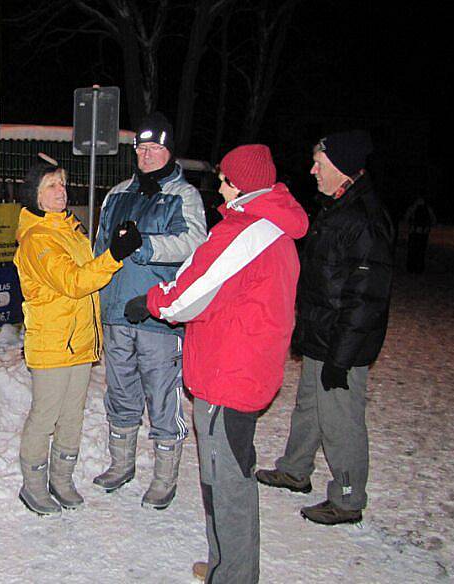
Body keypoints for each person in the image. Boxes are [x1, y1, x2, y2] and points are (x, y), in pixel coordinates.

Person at [125, 145, 308, 583]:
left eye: (225, 179)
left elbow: (190, 294)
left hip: (230, 375)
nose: (219, 187)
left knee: (226, 483)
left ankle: (233, 575)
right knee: (229, 476)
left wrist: (151, 302)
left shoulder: (249, 231)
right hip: (242, 369)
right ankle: (229, 564)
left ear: (242, 184)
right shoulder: (266, 224)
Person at [256, 130, 394, 526]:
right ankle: (295, 469)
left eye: (321, 164)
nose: (312, 170)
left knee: (340, 420)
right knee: (310, 406)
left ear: (344, 169)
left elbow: (366, 300)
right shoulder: (335, 208)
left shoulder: (363, 220)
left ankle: (348, 498)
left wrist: (342, 357)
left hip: (343, 344)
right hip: (323, 334)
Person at [13, 156, 142, 516]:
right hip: (53, 342)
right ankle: (34, 485)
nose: (61, 191)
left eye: (62, 184)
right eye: (51, 186)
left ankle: (62, 479)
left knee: (72, 416)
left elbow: (88, 269)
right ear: (35, 196)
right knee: (45, 416)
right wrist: (115, 256)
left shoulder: (70, 229)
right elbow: (74, 281)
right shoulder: (38, 239)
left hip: (80, 341)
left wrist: (110, 246)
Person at [92, 112, 207, 509]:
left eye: (155, 147)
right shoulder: (117, 193)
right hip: (117, 311)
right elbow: (100, 246)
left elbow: (194, 243)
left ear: (169, 151)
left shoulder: (184, 195)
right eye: (141, 148)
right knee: (120, 392)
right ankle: (121, 464)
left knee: (162, 394)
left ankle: (163, 476)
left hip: (158, 314)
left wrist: (146, 246)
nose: (147, 154)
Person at [403, 196, 436, 273]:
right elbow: (434, 220)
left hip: (413, 231)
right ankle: (419, 268)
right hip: (424, 232)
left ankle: (410, 268)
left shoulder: (413, 207)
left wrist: (409, 225)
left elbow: (406, 218)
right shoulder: (427, 208)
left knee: (412, 251)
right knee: (421, 251)